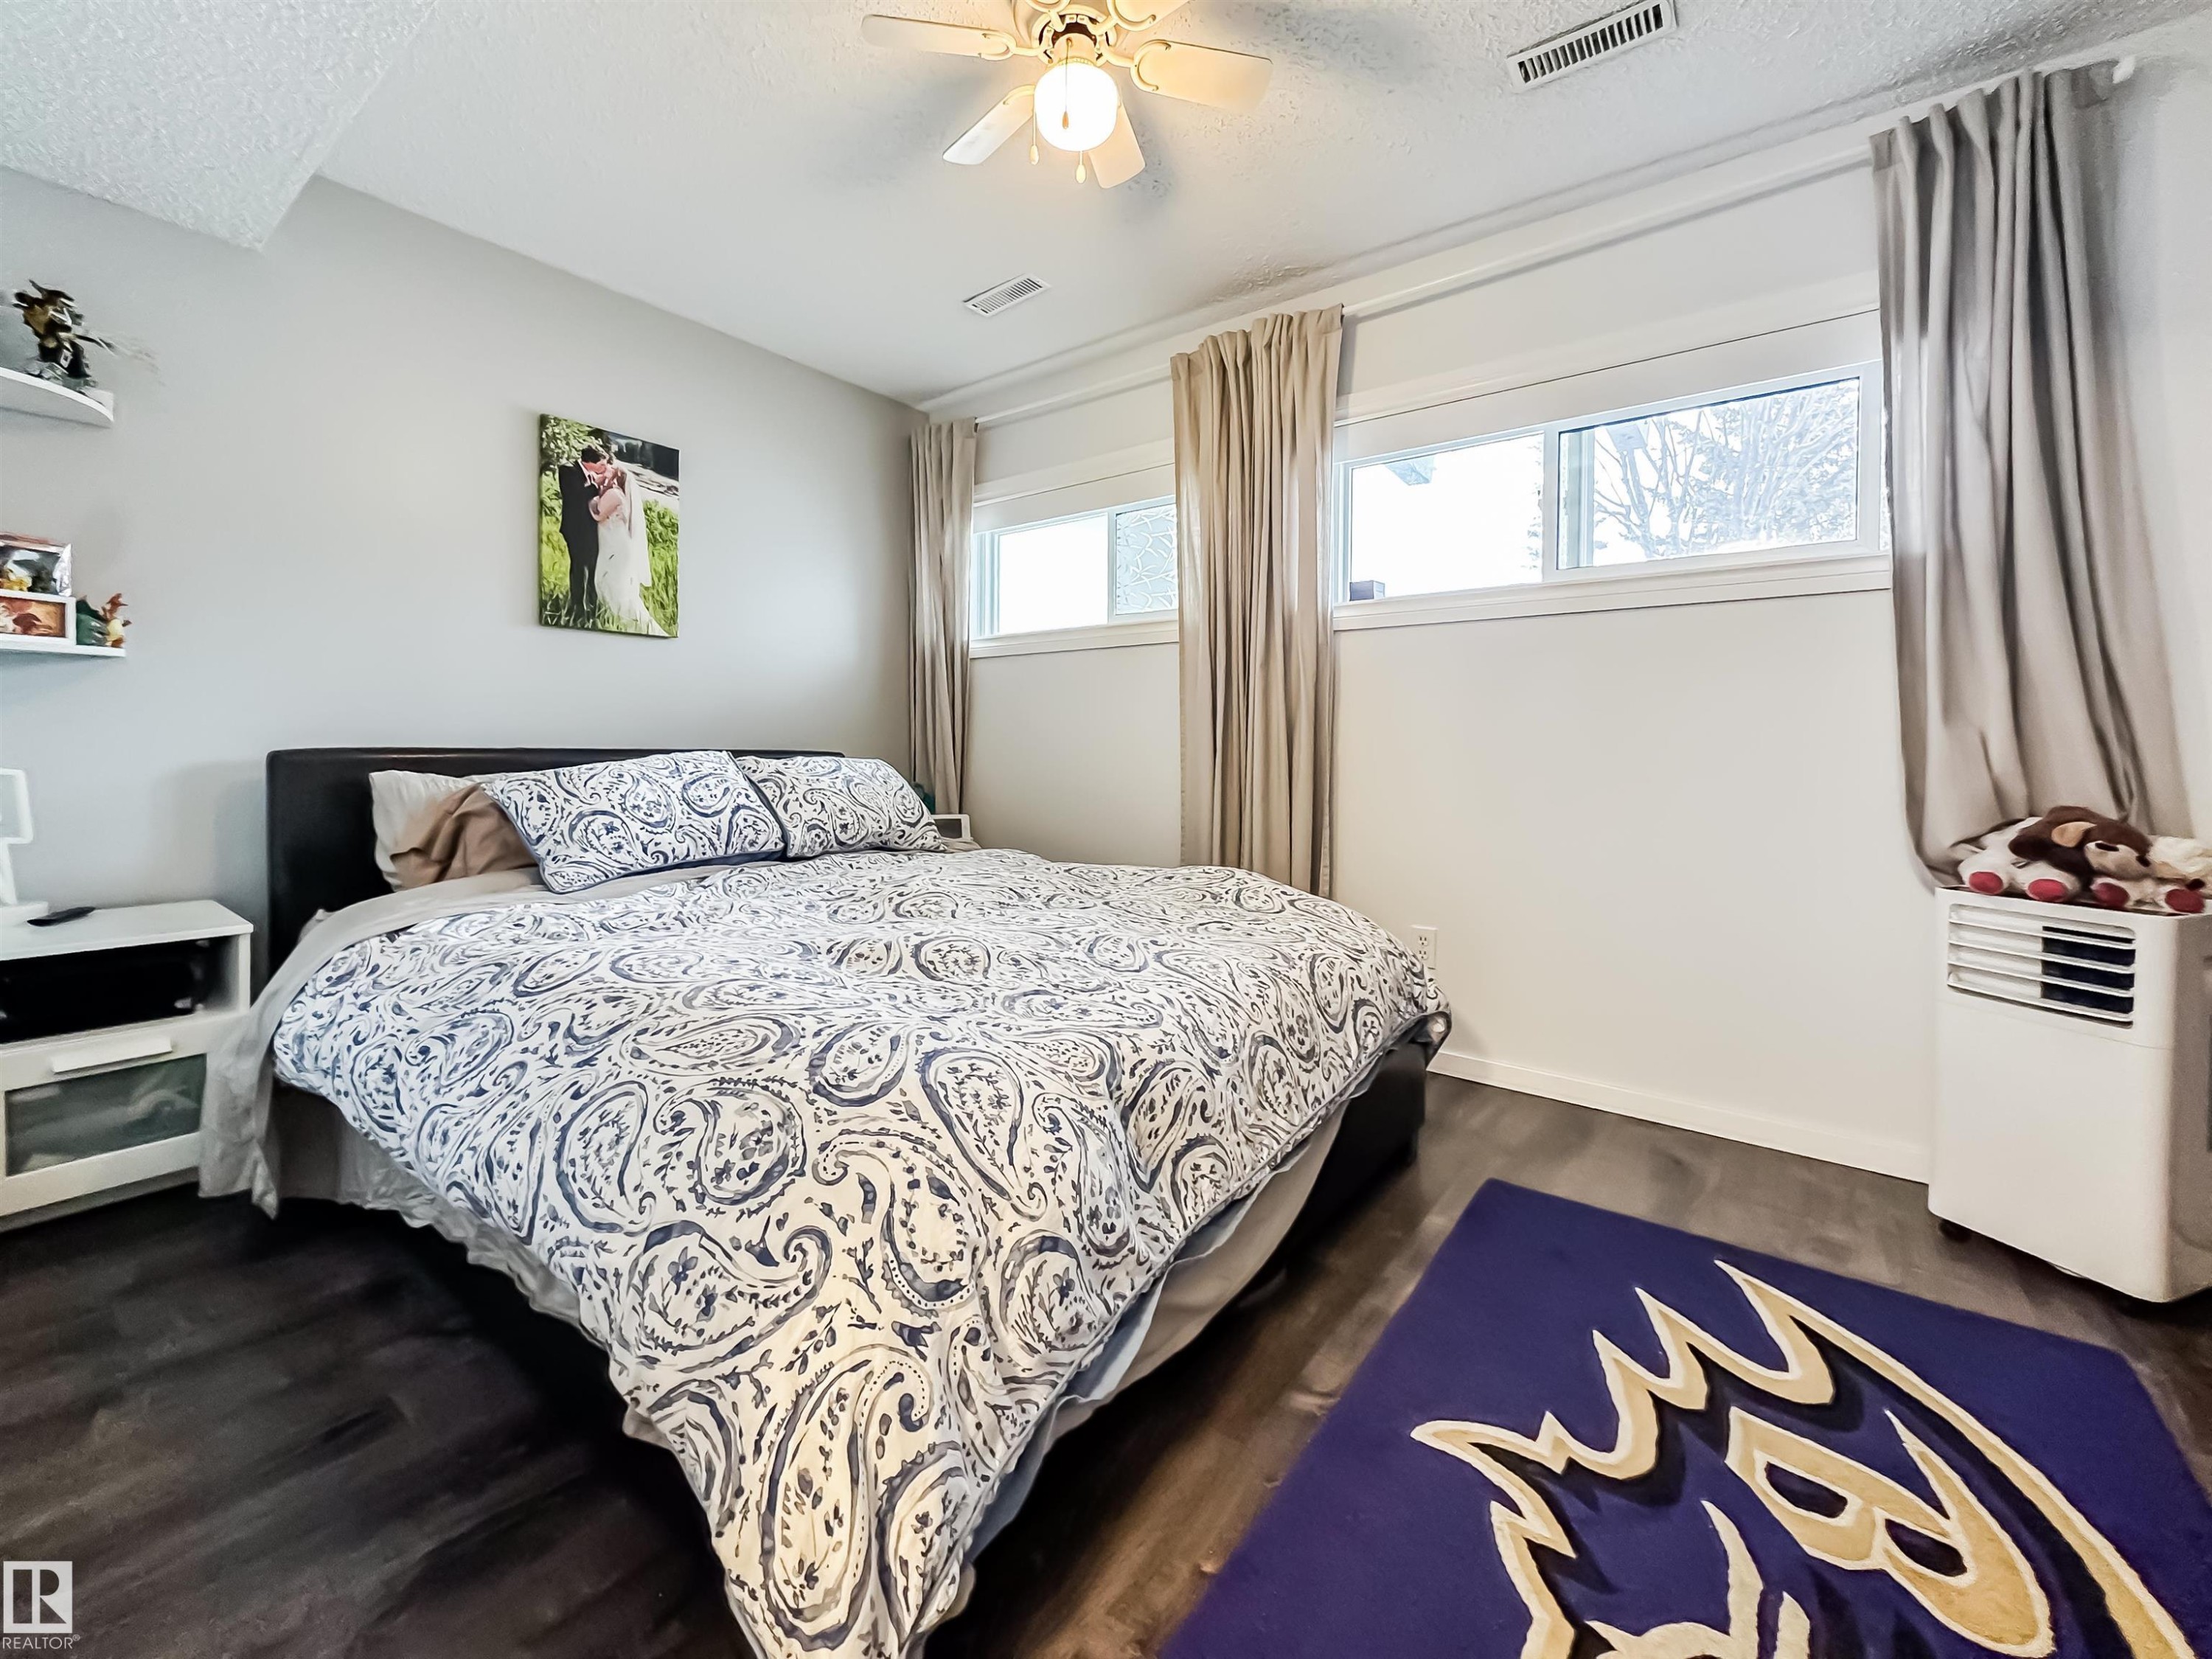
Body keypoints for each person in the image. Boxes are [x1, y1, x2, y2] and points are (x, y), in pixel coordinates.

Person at [585, 451, 660, 633]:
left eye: (611, 470)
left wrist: (591, 500)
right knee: (610, 583)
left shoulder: (614, 494)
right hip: (614, 544)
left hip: (615, 547)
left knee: (613, 584)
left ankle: (625, 621)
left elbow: (598, 515)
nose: (606, 470)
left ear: (617, 477)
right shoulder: (614, 493)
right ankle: (617, 619)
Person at [554, 443, 605, 626]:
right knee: (579, 567)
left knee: (591, 567)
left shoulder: (590, 474)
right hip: (575, 529)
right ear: (590, 462)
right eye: (601, 465)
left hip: (590, 530)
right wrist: (596, 485)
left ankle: (591, 605)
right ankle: (577, 607)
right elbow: (576, 495)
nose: (603, 468)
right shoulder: (568, 470)